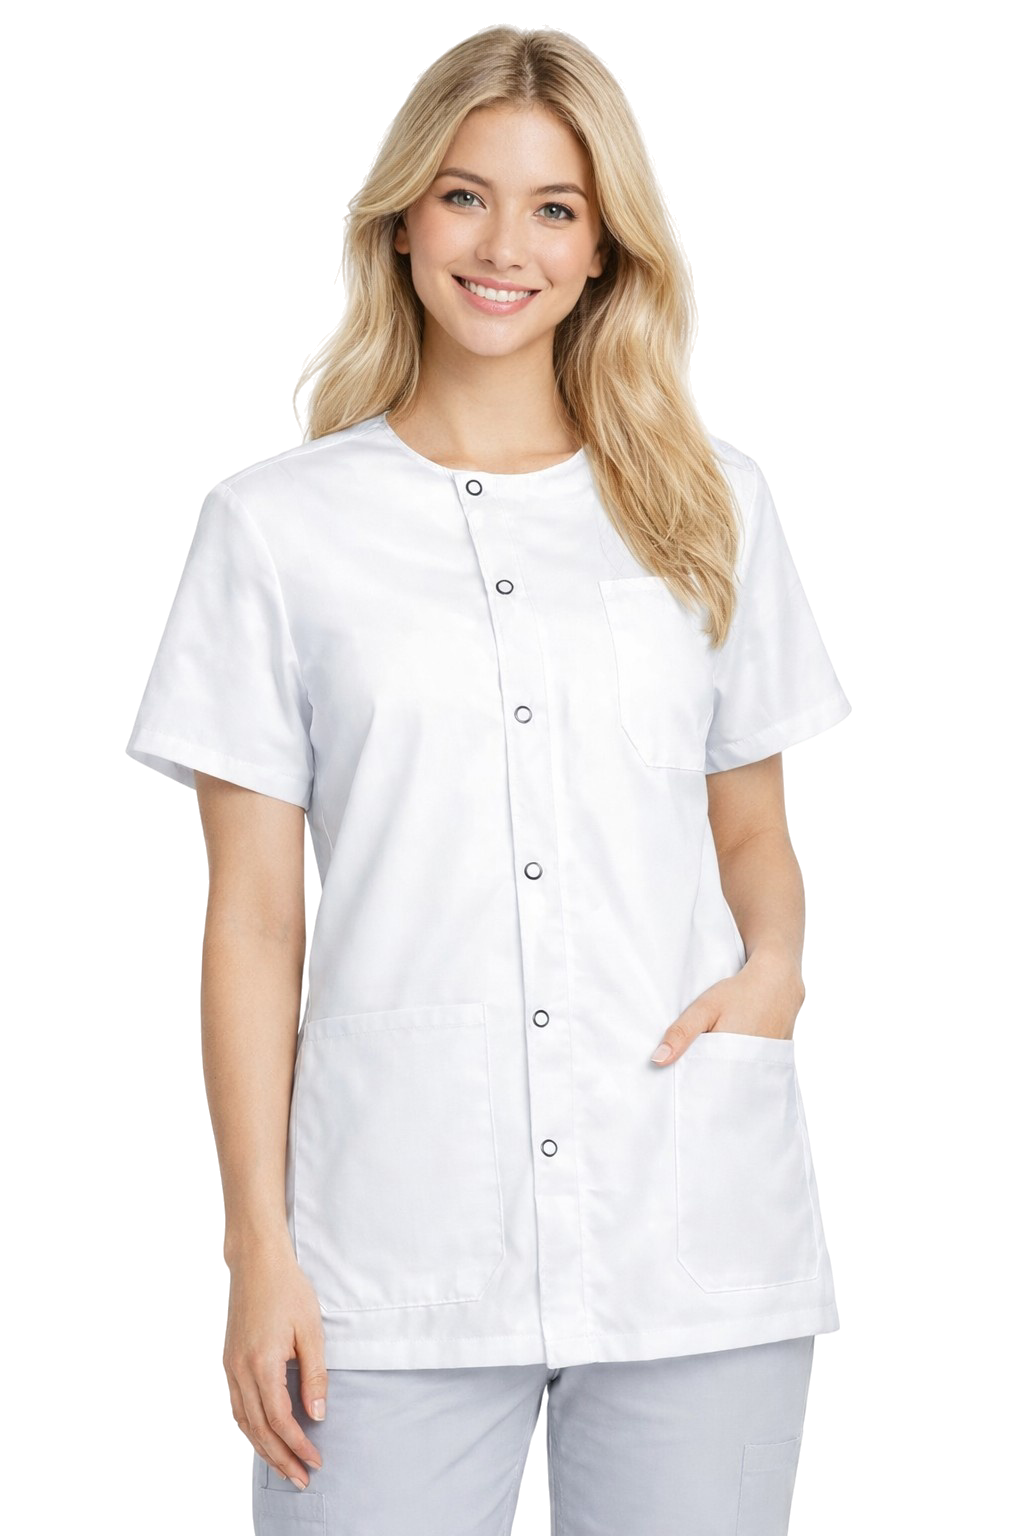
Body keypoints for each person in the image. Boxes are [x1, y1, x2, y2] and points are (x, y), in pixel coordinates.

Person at [124, 24, 852, 1536]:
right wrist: (256, 1246)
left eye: (554, 208)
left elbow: (752, 827)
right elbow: (253, 918)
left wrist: (776, 968)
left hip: (686, 1216)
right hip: (387, 1242)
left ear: (604, 250)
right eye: (465, 196)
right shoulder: (276, 531)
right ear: (402, 220)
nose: (505, 246)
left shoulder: (711, 504)